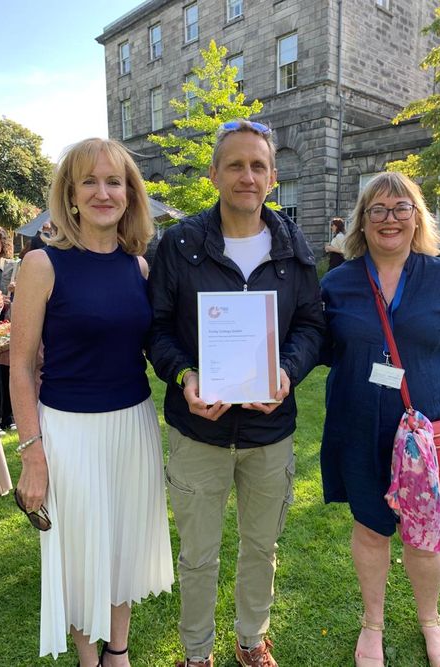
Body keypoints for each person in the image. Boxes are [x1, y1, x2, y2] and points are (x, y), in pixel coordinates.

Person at [147, 119, 325, 667]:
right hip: (198, 430)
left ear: (273, 177)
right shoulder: (179, 244)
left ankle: (252, 640)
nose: (247, 176)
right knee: (198, 555)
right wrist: (185, 376)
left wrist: (287, 372)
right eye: (235, 165)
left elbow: (311, 326)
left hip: (269, 433)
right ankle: (196, 653)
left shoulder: (294, 247)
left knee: (261, 548)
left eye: (257, 166)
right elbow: (156, 328)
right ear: (214, 174)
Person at [10, 138, 174, 667]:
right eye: (90, 182)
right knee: (82, 551)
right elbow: (20, 368)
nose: (103, 192)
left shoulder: (139, 268)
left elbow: (156, 346)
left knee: (123, 543)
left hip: (134, 426)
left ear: (130, 194)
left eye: (114, 182)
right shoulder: (42, 264)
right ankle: (89, 658)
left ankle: (117, 652)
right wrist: (32, 454)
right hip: (69, 431)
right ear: (71, 195)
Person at [320, 171, 440, 667]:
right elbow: (322, 346)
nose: (389, 218)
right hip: (358, 428)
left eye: (401, 208)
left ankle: (431, 621)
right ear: (362, 221)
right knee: (371, 528)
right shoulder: (338, 283)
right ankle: (371, 625)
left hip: (424, 433)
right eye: (377, 209)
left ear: (417, 218)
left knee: (425, 531)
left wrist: (434, 375)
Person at [0, 224, 18, 433]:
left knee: (8, 372)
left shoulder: (12, 267)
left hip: (8, 325)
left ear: (2, 243)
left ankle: (9, 417)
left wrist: (16, 292)